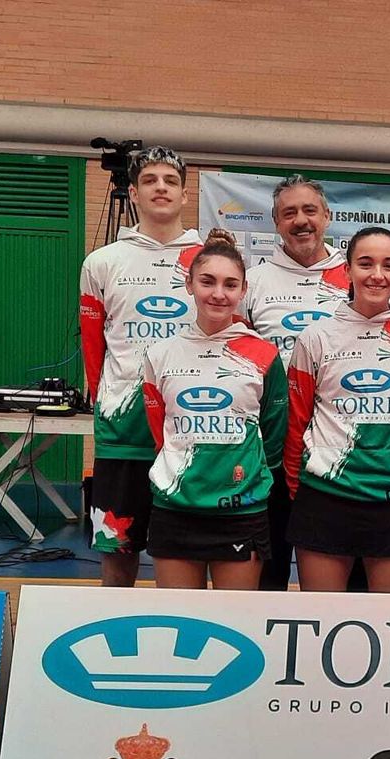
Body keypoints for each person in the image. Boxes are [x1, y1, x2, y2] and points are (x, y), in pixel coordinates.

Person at [284, 227, 390, 593]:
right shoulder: (315, 338)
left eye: (389, 265)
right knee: (320, 619)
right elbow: (297, 423)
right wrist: (298, 488)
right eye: (366, 263)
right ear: (347, 270)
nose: (377, 275)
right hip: (324, 497)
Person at [80, 146, 201, 586]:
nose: (160, 188)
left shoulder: (207, 260)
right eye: (150, 180)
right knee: (117, 553)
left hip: (193, 432)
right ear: (133, 193)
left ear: (185, 194)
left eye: (170, 181)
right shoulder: (102, 262)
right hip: (123, 437)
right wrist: (107, 408)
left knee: (188, 558)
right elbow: (93, 349)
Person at [140, 233, 286, 590]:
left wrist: (242, 475)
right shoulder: (159, 354)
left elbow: (273, 434)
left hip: (241, 510)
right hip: (175, 507)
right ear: (189, 284)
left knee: (235, 618)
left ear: (243, 290)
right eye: (207, 282)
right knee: (178, 617)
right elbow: (160, 432)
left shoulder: (265, 355)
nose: (218, 293)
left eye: (230, 284)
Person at [240, 174, 350, 591]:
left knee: (340, 575)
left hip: (338, 446)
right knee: (268, 575)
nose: (301, 221)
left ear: (327, 216)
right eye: (289, 213)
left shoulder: (355, 276)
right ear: (275, 222)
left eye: (309, 210)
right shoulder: (253, 282)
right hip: (270, 446)